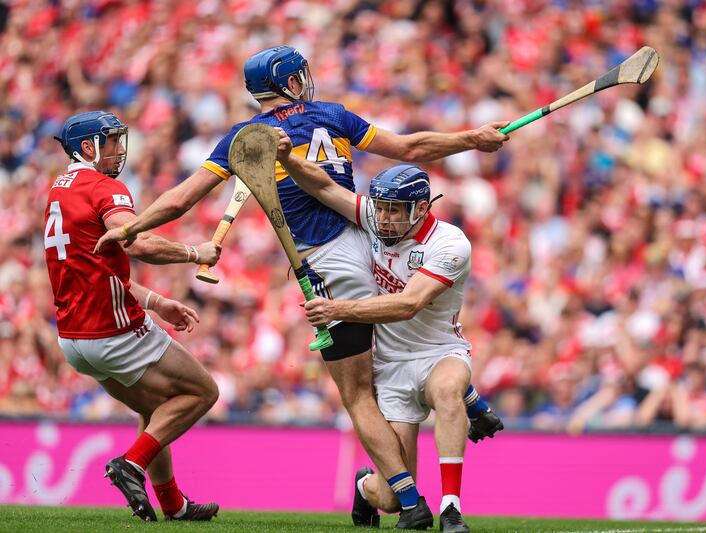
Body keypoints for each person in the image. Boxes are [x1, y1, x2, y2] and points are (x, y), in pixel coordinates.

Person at [94, 46, 504, 526]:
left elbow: (182, 199)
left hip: (330, 264)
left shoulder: (244, 139)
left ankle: (410, 503)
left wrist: (130, 229)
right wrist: (470, 139)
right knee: (405, 333)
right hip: (371, 234)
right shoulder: (333, 114)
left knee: (358, 396)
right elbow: (411, 149)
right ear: (291, 82)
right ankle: (463, 407)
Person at [278, 139, 475, 532]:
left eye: (394, 211)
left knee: (450, 391)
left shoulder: (451, 245)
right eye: (380, 208)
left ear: (421, 209)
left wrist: (336, 309)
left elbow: (408, 304)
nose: (383, 219)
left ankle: (451, 508)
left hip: (440, 352)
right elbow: (323, 187)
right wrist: (286, 159)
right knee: (389, 498)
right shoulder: (374, 216)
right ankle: (363, 484)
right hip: (391, 367)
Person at [47, 111, 221, 522]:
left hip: (73, 340)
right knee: (202, 392)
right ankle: (130, 465)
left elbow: (97, 269)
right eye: (110, 142)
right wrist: (194, 253)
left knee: (156, 408)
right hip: (113, 331)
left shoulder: (58, 189)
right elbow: (136, 242)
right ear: (87, 148)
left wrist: (157, 303)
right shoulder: (103, 187)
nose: (119, 149)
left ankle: (174, 505)